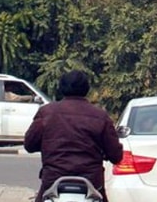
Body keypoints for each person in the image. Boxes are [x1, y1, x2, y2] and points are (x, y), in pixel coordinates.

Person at [24, 70, 123, 202]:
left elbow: (29, 145)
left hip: (53, 181)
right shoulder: (101, 116)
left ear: (61, 88)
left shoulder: (46, 112)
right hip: (92, 183)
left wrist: (47, 145)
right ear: (86, 89)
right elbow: (116, 156)